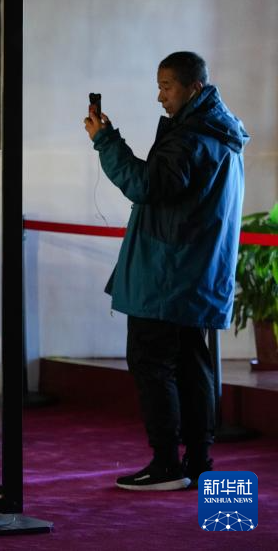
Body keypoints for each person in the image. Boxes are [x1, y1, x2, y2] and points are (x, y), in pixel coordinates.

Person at [84, 52, 249, 491]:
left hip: (167, 275)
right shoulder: (217, 132)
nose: (160, 97)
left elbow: (146, 185)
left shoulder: (191, 138)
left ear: (194, 87)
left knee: (152, 363)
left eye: (166, 87)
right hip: (193, 273)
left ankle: (166, 465)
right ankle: (197, 462)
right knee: (192, 365)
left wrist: (105, 141)